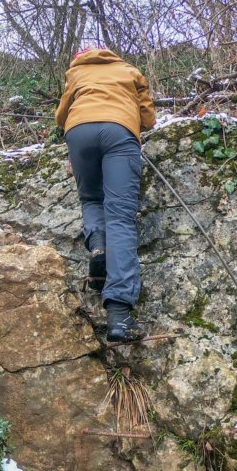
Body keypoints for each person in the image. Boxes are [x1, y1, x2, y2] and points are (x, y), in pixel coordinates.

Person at [55, 46, 156, 342]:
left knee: (90, 198)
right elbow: (148, 118)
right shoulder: (129, 70)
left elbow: (60, 116)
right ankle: (120, 315)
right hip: (119, 132)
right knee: (120, 218)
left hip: (79, 133)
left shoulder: (76, 72)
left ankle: (98, 246)